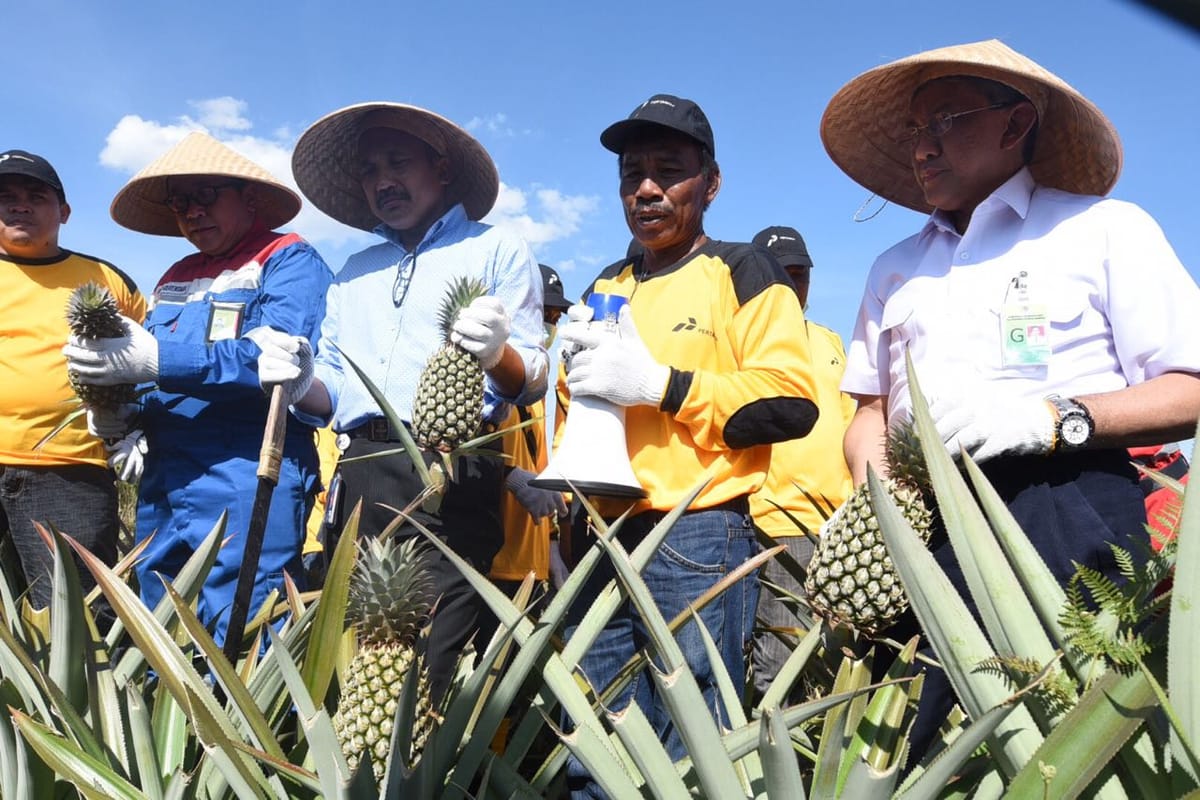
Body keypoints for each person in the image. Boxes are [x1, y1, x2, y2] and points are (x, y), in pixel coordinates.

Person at [821, 39, 1200, 757]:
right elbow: (869, 413)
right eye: (915, 130)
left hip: (1068, 501)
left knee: (1071, 726)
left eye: (945, 122)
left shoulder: (1103, 230)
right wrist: (874, 500)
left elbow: (1190, 386)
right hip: (922, 520)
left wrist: (1054, 419)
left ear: (1014, 122)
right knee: (916, 733)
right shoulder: (895, 266)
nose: (922, 149)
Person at [556, 93, 818, 792]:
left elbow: (789, 403)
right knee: (598, 735)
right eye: (631, 173)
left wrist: (662, 385)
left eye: (668, 170)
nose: (645, 187)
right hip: (601, 532)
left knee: (692, 738)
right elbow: (573, 403)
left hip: (698, 536)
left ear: (710, 183)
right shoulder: (602, 284)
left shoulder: (742, 272)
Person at [259, 102, 548, 706]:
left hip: (452, 464)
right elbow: (333, 391)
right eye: (369, 170)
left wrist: (498, 354)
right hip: (362, 468)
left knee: (424, 667)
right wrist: (294, 379)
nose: (382, 180)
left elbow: (533, 375)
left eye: (398, 161)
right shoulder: (353, 271)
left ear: (441, 169)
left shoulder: (496, 248)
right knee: (355, 661)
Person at [63, 132, 332, 644]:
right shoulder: (175, 276)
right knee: (161, 618)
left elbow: (273, 360)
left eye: (205, 194)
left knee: (246, 621)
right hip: (165, 476)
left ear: (247, 197)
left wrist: (155, 359)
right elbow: (148, 374)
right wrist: (119, 415)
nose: (191, 212)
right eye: (180, 201)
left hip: (246, 470)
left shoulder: (289, 260)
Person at [0, 149, 145, 611]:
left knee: (77, 616)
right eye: (5, 196)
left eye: (35, 195)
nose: (19, 205)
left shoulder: (106, 280)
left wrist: (138, 424)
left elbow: (149, 362)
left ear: (63, 211)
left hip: (67, 471)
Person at [747, 225, 853, 699]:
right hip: (774, 521)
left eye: (798, 274)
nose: (790, 288)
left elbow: (854, 420)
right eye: (777, 276)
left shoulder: (830, 341)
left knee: (832, 661)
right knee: (779, 661)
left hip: (835, 526)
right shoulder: (740, 341)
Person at [489, 264, 574, 601]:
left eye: (555, 316)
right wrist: (509, 477)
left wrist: (551, 547)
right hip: (490, 563)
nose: (550, 325)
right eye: (543, 312)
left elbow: (541, 472)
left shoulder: (537, 392)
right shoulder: (483, 378)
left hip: (529, 569)